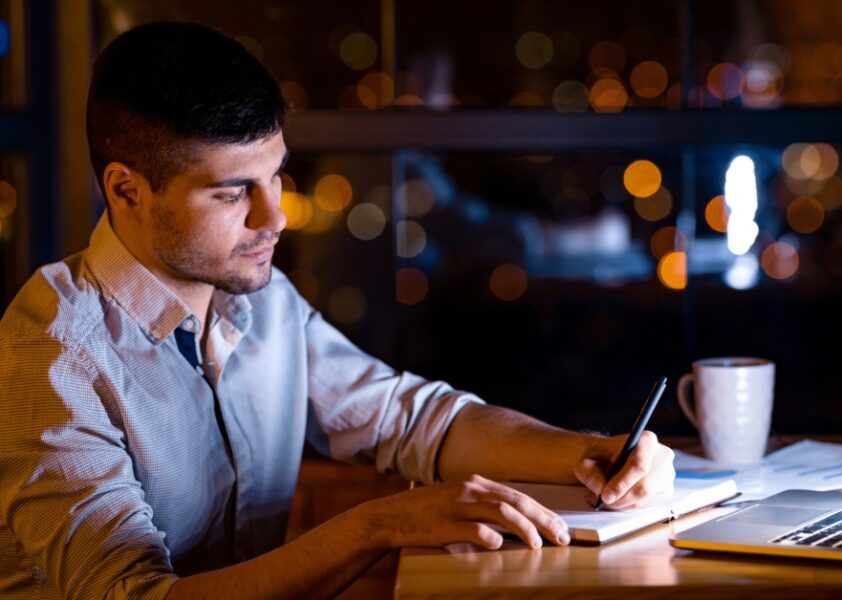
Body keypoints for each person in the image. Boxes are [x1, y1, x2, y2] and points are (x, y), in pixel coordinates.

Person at [0, 21, 675, 599]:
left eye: (276, 176)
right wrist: (379, 525)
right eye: (234, 193)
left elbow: (410, 419)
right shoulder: (53, 358)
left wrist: (588, 454)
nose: (275, 217)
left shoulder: (261, 302)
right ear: (126, 190)